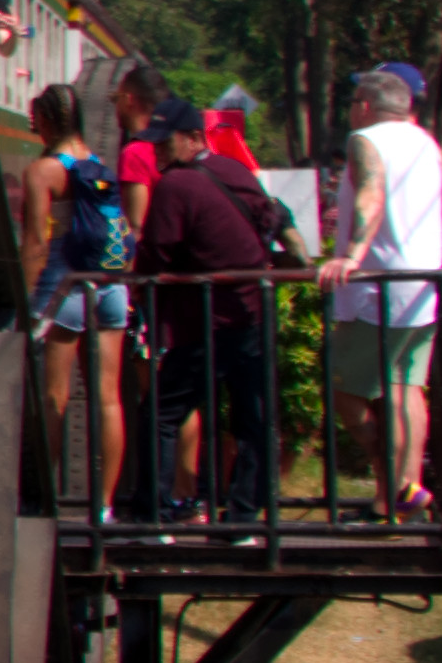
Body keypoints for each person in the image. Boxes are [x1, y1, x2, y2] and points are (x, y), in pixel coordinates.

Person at [316, 67, 442, 520]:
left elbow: (371, 194)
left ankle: (394, 479)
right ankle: (398, 497)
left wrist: (353, 254)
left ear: (364, 106)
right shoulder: (424, 141)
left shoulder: (368, 139)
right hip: (421, 281)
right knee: (404, 388)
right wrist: (438, 246)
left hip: (380, 287)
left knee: (340, 386)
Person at [132, 96, 276, 519]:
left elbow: (157, 250)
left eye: (164, 143)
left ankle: (153, 515)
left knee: (161, 413)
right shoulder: (233, 170)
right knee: (252, 418)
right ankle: (246, 517)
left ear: (194, 138)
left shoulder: (177, 185)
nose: (157, 152)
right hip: (251, 311)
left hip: (207, 322)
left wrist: (142, 287)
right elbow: (269, 218)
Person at [19, 83, 129, 507]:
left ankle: (44, 500)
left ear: (44, 121)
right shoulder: (99, 165)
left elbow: (35, 244)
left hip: (66, 290)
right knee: (108, 397)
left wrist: (27, 301)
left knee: (54, 396)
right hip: (110, 287)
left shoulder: (42, 171)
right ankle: (102, 507)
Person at [111, 60, 167, 233]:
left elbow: (136, 226)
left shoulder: (135, 153)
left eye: (116, 98)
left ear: (129, 100)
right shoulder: (171, 144)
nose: (115, 106)